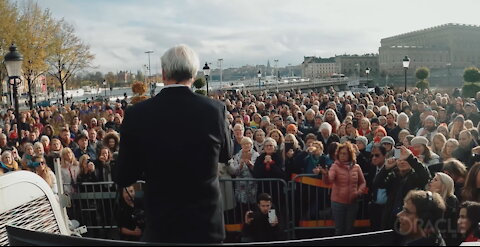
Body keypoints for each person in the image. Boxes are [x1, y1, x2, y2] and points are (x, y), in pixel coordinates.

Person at [116, 45, 232, 243]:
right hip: (206, 225)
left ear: (163, 73)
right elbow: (225, 155)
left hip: (162, 224)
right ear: (194, 74)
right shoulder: (214, 110)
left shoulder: (138, 114)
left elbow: (124, 174)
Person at [374, 146, 431, 230]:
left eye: (405, 160)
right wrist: (385, 169)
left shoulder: (416, 176)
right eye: (399, 160)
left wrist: (411, 158)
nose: (402, 162)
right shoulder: (393, 176)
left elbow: (426, 176)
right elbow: (377, 183)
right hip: (391, 217)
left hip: (408, 219)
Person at [317, 142, 366, 236]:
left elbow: (362, 182)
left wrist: (358, 192)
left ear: (350, 154)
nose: (342, 155)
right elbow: (328, 181)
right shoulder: (334, 166)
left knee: (349, 229)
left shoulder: (356, 167)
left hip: (353, 202)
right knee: (339, 229)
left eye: (345, 153)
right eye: (341, 153)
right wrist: (325, 174)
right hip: (338, 203)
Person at [427, 172, 459, 245]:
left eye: (435, 180)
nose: (431, 181)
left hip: (447, 238)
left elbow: (443, 221)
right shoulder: (429, 198)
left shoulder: (451, 199)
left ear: (444, 185)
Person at [366, 144, 388, 231]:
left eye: (377, 155)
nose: (374, 158)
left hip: (387, 207)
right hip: (374, 205)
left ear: (384, 156)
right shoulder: (372, 168)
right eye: (372, 156)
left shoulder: (392, 169)